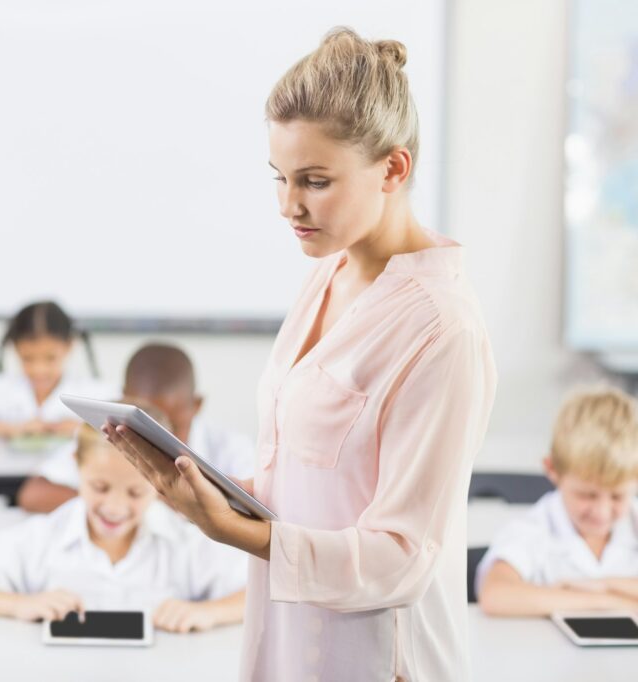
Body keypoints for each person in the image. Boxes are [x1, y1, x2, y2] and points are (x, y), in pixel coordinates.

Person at [105, 27, 497, 681]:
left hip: (379, 658)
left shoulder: (442, 330)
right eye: (280, 178)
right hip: (291, 641)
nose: (289, 205)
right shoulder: (329, 273)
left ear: (393, 169)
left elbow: (402, 557)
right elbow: (313, 480)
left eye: (314, 181)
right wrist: (206, 493)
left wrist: (238, 533)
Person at [0, 416, 246, 633]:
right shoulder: (44, 537)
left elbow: (266, 590)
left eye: (134, 492)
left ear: (160, 483)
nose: (114, 507)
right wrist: (18, 604)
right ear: (76, 468)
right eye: (99, 488)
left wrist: (211, 612)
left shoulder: (183, 543)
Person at [18, 342, 254, 512]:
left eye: (172, 429)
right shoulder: (110, 436)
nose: (162, 444)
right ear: (124, 400)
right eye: (149, 427)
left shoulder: (233, 448)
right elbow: (33, 495)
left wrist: (162, 499)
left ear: (196, 405)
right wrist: (116, 497)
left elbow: (258, 514)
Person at [477, 386, 638, 616]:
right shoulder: (532, 529)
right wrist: (606, 602)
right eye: (587, 495)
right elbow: (495, 595)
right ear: (553, 470)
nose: (602, 512)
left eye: (617, 496)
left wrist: (605, 584)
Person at [0, 300, 115, 437]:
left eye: (50, 358)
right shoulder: (2, 389)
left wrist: (82, 429)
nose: (39, 369)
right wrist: (10, 428)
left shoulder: (95, 391)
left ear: (69, 346)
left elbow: (129, 430)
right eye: (27, 359)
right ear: (15, 348)